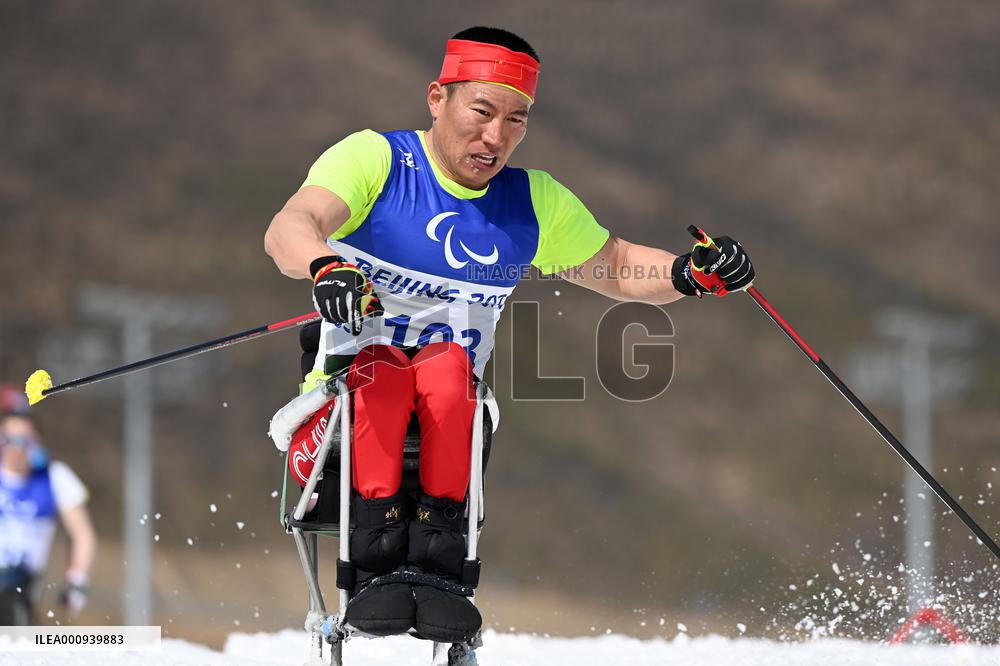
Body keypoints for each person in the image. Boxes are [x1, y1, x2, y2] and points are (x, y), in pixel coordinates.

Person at [264, 26, 754, 643]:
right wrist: (325, 265)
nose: (495, 137)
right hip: (339, 424)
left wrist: (691, 274)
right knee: (383, 370)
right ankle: (374, 565)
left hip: (447, 417)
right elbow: (291, 225)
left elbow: (618, 265)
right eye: (482, 111)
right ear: (437, 98)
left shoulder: (532, 202)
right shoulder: (377, 161)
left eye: (516, 119)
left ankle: (439, 572)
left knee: (448, 367)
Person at [0, 395, 97, 625]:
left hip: (22, 588)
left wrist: (77, 579)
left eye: (23, 441)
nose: (15, 448)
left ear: (36, 443)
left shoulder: (54, 476)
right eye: (8, 439)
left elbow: (82, 534)